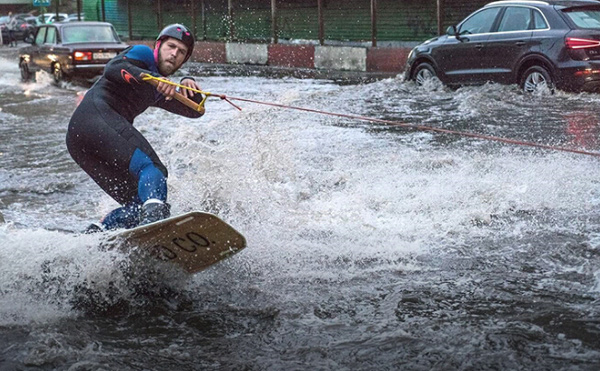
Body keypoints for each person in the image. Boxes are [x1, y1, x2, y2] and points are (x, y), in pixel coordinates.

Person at [66, 24, 204, 233]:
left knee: (139, 202)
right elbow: (113, 69)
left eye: (181, 52)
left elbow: (196, 111)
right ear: (159, 46)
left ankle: (97, 236)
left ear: (184, 60)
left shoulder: (160, 90)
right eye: (171, 46)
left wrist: (188, 82)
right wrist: (152, 79)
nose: (174, 54)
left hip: (80, 143)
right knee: (153, 170)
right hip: (94, 118)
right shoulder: (143, 54)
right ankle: (154, 222)